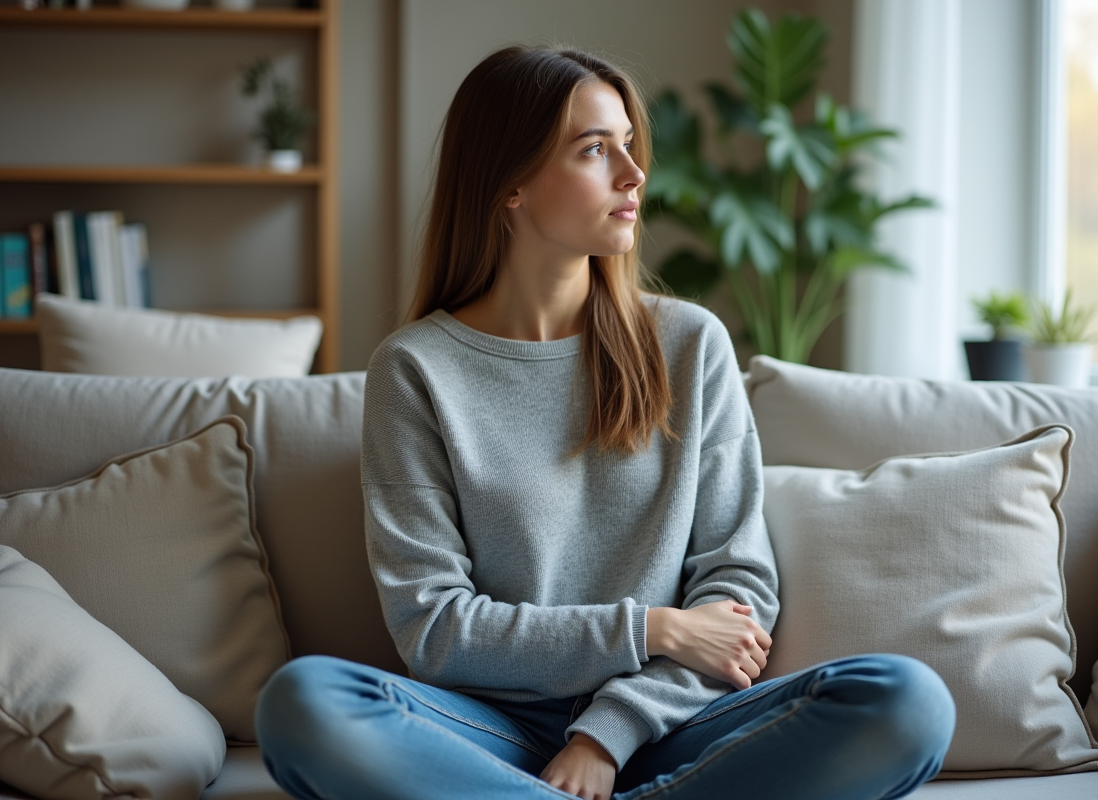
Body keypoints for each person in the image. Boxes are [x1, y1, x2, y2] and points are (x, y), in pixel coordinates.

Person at [254, 44, 956, 800]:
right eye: (595, 149)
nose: (633, 173)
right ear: (510, 182)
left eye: (629, 144)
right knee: (305, 704)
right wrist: (653, 628)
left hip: (669, 724)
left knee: (904, 700)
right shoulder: (417, 370)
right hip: (490, 734)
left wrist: (605, 733)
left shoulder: (688, 344)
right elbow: (435, 629)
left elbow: (737, 588)